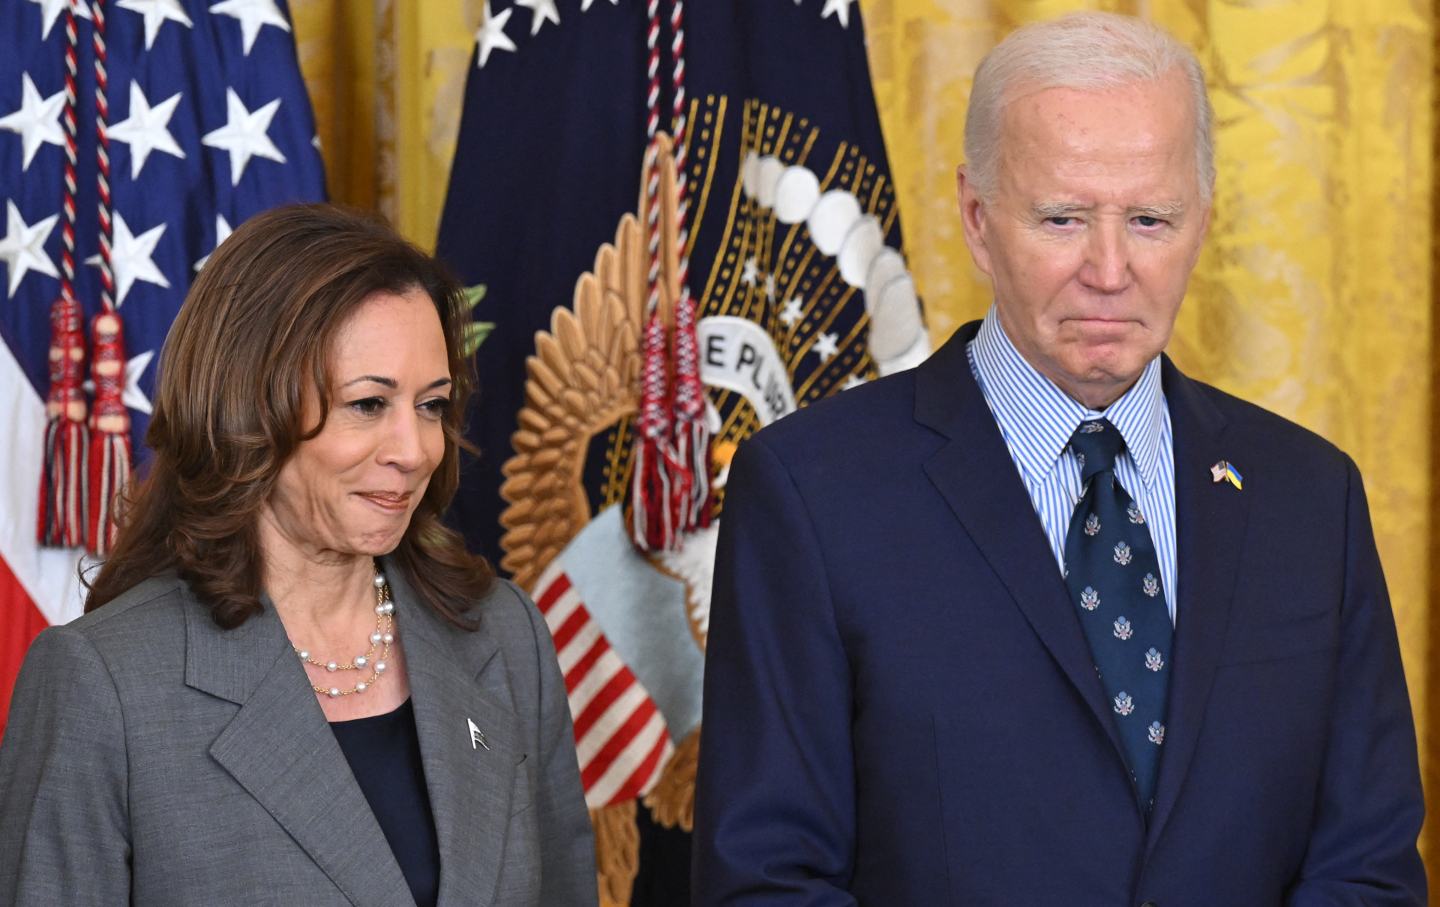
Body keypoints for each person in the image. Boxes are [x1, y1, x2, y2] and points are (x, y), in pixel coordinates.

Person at [692, 12, 1425, 905]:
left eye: (1151, 218)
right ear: (977, 216)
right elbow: (767, 881)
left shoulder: (1314, 499)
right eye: (1063, 217)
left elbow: (1369, 868)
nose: (1110, 270)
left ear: (1203, 219)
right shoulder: (811, 494)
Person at [0, 204, 597, 906]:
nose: (415, 450)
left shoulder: (504, 634)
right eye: (369, 404)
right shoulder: (103, 685)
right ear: (250, 411)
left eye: (432, 405)